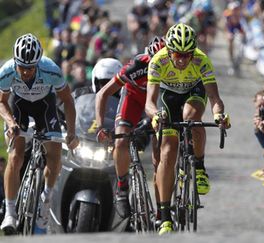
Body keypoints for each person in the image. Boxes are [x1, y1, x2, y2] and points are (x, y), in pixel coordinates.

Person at [145, 23, 230, 235]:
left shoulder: (201, 59)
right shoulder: (158, 60)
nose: (182, 60)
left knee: (192, 118)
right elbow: (150, 102)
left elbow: (214, 98)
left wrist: (219, 115)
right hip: (168, 96)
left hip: (194, 90)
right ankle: (165, 216)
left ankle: (199, 167)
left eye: (187, 55)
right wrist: (156, 115)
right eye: (178, 55)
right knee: (167, 150)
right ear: (169, 51)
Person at [0, 33, 79, 235]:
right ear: (15, 62)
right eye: (22, 67)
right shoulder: (7, 71)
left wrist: (71, 132)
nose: (26, 72)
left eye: (30, 68)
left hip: (45, 107)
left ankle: (45, 201)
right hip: (18, 108)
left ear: (38, 63)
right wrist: (11, 124)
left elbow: (68, 101)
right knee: (15, 156)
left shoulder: (51, 70)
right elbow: (1, 101)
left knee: (54, 156)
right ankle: (10, 213)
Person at [95, 36, 166, 229]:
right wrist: (101, 126)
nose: (157, 67)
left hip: (158, 105)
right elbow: (103, 94)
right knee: (121, 142)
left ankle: (162, 210)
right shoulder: (135, 66)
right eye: (154, 63)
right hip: (134, 101)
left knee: (161, 158)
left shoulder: (173, 68)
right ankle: (122, 188)